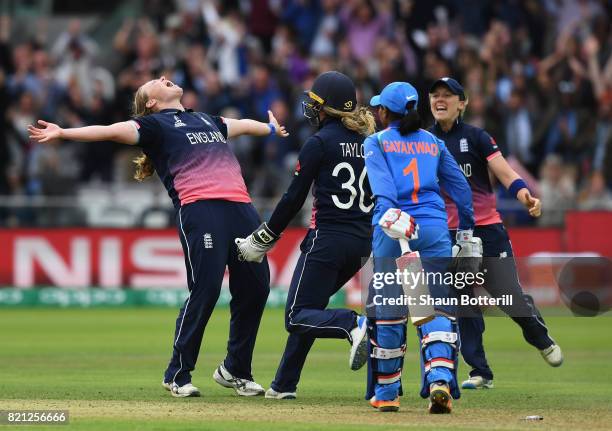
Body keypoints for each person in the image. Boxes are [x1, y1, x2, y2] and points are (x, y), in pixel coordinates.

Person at [28, 75, 289, 398]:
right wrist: (63, 132)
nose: (165, 78)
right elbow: (109, 131)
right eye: (156, 81)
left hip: (241, 207)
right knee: (205, 289)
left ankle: (235, 369)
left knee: (257, 286)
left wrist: (269, 128)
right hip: (200, 208)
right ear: (150, 102)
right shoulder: (152, 126)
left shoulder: (206, 119)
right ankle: (177, 374)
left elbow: (243, 125)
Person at [235, 71, 375, 399]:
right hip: (362, 243)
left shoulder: (320, 142)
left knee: (297, 315)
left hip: (327, 239)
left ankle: (353, 325)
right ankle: (284, 384)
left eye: (316, 102)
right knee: (312, 308)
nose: (310, 108)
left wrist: (264, 236)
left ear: (330, 109)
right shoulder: (370, 142)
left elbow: (293, 197)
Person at [428, 77, 563, 390]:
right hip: (449, 232)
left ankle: (541, 339)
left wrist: (525, 196)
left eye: (448, 95)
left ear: (462, 103)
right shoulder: (423, 140)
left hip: (487, 227)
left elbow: (505, 173)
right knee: (463, 302)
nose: (440, 100)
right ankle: (480, 372)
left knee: (508, 296)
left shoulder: (476, 137)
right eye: (435, 95)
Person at [361, 81, 479, 413]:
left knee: (390, 311)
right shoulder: (434, 142)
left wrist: (390, 216)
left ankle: (387, 394)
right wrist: (466, 233)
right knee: (436, 307)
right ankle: (440, 378)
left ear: (384, 112)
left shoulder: (377, 142)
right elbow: (462, 192)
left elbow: (383, 190)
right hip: (433, 230)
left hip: (392, 229)